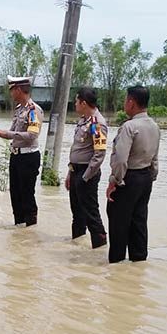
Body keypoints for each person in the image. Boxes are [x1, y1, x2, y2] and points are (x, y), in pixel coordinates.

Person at [105, 85, 161, 263]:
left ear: (131, 102)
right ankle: (138, 261)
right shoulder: (154, 126)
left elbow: (121, 160)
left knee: (118, 222)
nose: (124, 103)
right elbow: (155, 157)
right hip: (146, 178)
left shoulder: (129, 127)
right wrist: (151, 177)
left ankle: (116, 262)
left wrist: (114, 181)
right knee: (139, 221)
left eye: (125, 100)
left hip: (128, 178)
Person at [0, 76, 43, 227]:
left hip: (29, 157)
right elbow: (12, 132)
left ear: (18, 90)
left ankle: (30, 230)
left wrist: (4, 133)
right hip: (16, 156)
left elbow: (32, 135)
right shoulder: (19, 110)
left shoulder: (33, 110)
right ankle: (19, 229)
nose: (10, 94)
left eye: (11, 90)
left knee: (27, 195)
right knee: (15, 195)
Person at [65, 87, 108, 248]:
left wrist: (85, 177)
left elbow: (99, 154)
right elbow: (77, 150)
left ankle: (100, 244)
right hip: (76, 170)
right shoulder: (84, 120)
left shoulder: (97, 124)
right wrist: (70, 173)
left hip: (87, 174)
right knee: (77, 212)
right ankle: (77, 244)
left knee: (90, 212)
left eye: (76, 101)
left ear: (83, 103)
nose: (74, 104)